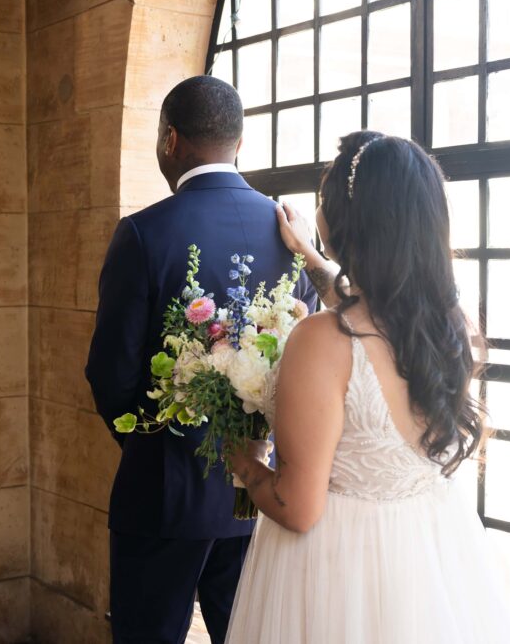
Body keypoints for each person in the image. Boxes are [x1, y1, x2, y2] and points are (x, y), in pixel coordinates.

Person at [224, 131, 510, 642]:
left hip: (334, 572)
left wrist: (243, 462)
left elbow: (298, 510)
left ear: (345, 221)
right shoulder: (453, 325)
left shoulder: (321, 341)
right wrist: (313, 261)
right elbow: (377, 314)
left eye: (323, 198)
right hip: (432, 566)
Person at [85, 76, 318, 644]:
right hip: (264, 493)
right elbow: (306, 354)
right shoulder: (291, 234)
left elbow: (110, 374)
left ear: (170, 140)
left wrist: (155, 442)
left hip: (163, 492)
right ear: (239, 142)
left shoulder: (143, 234)